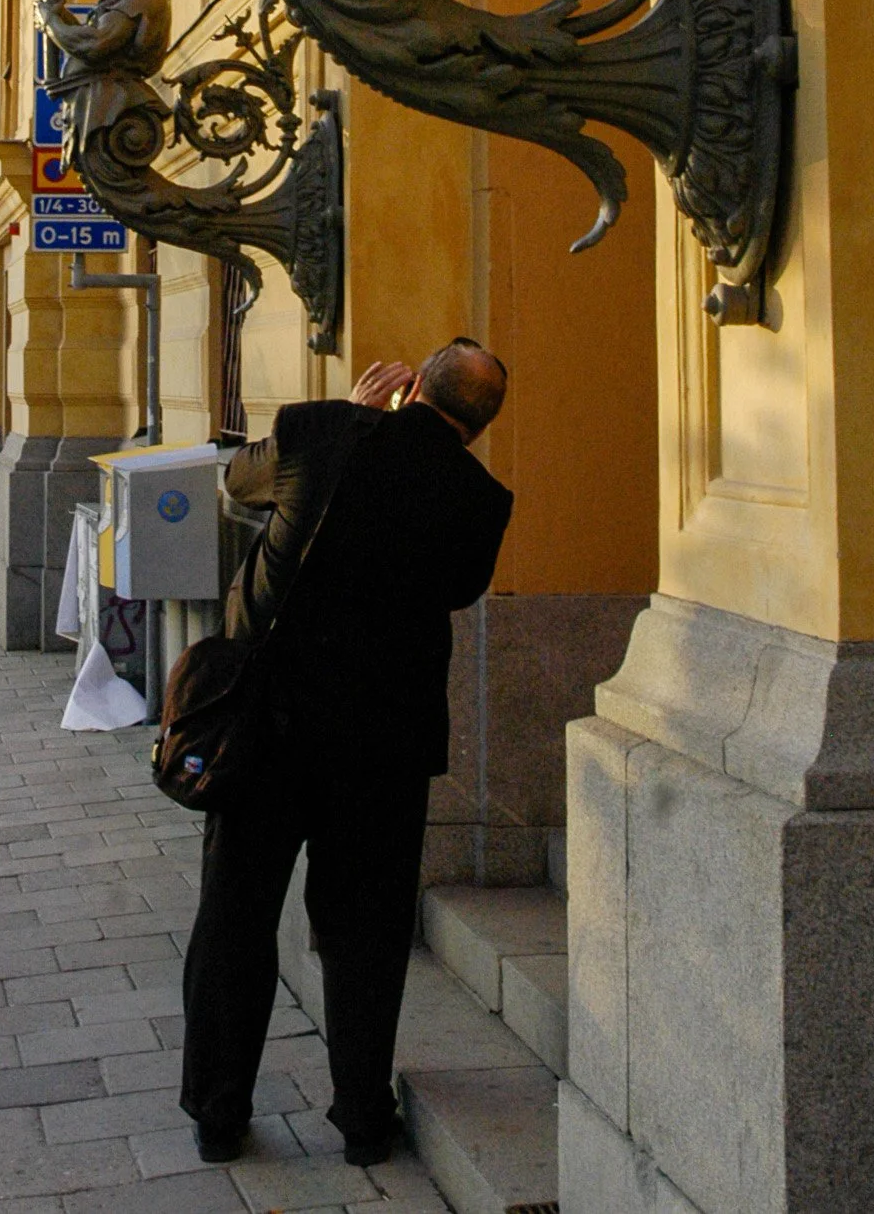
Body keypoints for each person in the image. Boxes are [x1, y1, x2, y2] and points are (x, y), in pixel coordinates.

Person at [178, 339, 514, 1171]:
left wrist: (358, 419)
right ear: (478, 425)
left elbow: (235, 483)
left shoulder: (323, 430)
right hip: (383, 747)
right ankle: (362, 1120)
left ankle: (219, 1116)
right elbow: (456, 591)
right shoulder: (482, 498)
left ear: (410, 387)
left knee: (235, 918)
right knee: (366, 935)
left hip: (266, 732)